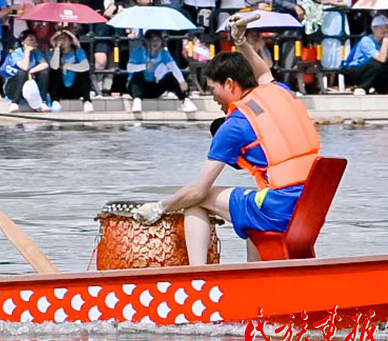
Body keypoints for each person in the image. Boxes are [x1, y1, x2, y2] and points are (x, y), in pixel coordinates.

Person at [133, 15, 321, 264]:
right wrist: (241, 42)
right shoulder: (279, 91)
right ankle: (256, 280)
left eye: (212, 88)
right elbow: (263, 71)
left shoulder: (233, 125)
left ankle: (197, 277)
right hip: (310, 206)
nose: (212, 97)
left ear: (229, 84)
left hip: (280, 211)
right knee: (251, 205)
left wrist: (160, 207)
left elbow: (198, 190)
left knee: (196, 201)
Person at [126, 31, 198, 113]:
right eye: (152, 40)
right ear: (146, 41)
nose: (155, 43)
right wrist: (144, 67)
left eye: (157, 40)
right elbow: (129, 68)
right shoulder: (138, 52)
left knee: (170, 76)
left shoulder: (163, 53)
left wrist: (182, 81)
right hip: (137, 89)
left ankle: (185, 100)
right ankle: (137, 101)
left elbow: (174, 67)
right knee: (137, 75)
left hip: (154, 87)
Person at [48, 30, 94, 113]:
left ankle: (87, 101)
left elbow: (86, 66)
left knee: (84, 73)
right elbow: (54, 66)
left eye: (64, 39)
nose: (61, 41)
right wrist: (57, 48)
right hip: (62, 89)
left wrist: (68, 66)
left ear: (70, 41)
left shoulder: (78, 52)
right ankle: (55, 101)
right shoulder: (54, 53)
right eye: (59, 39)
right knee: (55, 72)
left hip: (76, 88)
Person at [4, 30, 49, 113]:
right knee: (21, 73)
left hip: (30, 85)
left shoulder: (36, 53)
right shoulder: (16, 53)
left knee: (44, 73)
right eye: (30, 40)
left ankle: (42, 101)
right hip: (14, 86)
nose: (33, 42)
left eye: (35, 40)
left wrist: (31, 71)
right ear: (23, 42)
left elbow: (45, 64)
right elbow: (24, 67)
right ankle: (15, 102)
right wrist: (27, 52)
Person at [342, 14, 388, 95]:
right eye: (380, 27)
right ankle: (361, 87)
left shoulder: (383, 43)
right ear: (373, 28)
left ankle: (382, 88)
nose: (384, 30)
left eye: (386, 27)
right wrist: (386, 40)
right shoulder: (366, 41)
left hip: (371, 72)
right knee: (377, 65)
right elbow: (381, 59)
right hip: (356, 70)